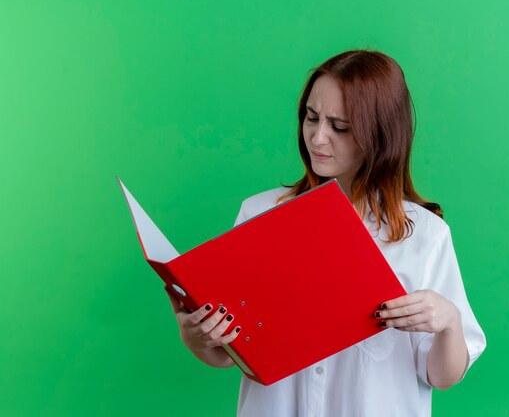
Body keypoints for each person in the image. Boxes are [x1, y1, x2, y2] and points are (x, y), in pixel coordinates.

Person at [165, 50, 486, 416]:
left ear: (379, 132)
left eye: (340, 126)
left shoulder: (425, 236)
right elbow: (232, 354)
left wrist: (448, 322)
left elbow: (441, 376)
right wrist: (197, 337)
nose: (317, 138)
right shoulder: (258, 213)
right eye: (311, 118)